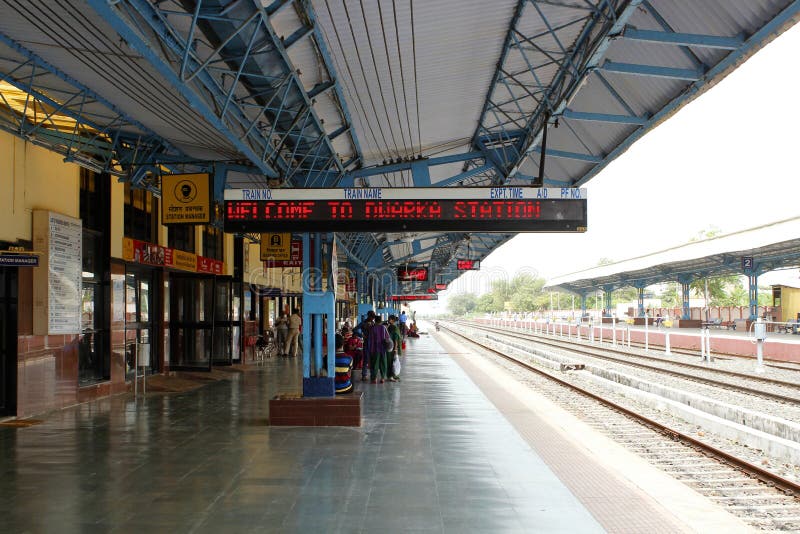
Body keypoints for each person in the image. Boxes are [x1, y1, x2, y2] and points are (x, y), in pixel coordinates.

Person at [368, 316, 391, 383]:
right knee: (383, 363)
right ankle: (382, 378)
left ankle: (374, 378)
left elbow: (370, 340)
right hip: (383, 349)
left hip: (375, 349)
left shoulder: (372, 328)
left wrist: (370, 350)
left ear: (375, 321)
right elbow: (388, 338)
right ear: (381, 321)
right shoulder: (384, 328)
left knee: (375, 364)